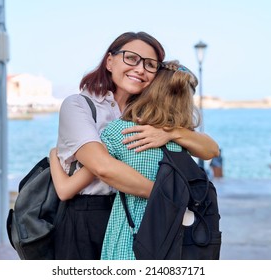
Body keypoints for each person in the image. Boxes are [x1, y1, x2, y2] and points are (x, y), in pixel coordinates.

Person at [51, 31, 219, 260]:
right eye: (131, 58)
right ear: (110, 61)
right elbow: (102, 167)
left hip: (137, 214)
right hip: (88, 215)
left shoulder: (149, 117)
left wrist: (170, 133)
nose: (140, 69)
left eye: (150, 65)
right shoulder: (79, 105)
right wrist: (170, 198)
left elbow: (210, 149)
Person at [99, 61, 201, 259]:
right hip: (174, 234)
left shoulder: (118, 132)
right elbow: (211, 150)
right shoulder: (187, 140)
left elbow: (91, 172)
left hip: (130, 234)